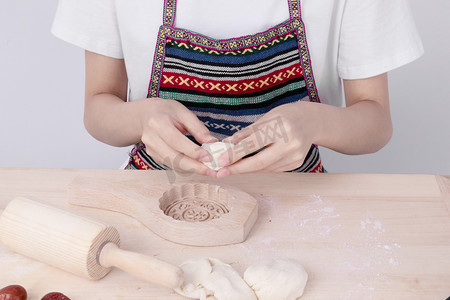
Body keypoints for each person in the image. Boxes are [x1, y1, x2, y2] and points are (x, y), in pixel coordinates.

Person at [52, 0, 423, 178]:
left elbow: (375, 119)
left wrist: (313, 123)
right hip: (153, 192)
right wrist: (144, 116)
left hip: (299, 200)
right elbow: (99, 108)